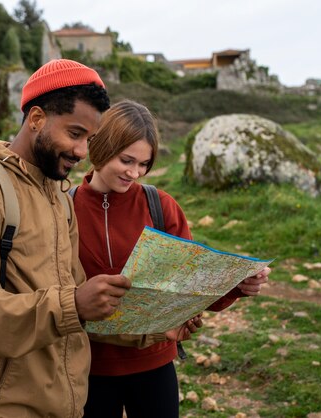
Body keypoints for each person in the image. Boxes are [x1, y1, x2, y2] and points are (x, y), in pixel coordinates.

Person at [0, 59, 133, 418]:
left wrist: (159, 329)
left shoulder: (58, 196)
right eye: (74, 134)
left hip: (61, 400)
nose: (83, 152)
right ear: (36, 119)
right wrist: (74, 305)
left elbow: (78, 300)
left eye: (90, 139)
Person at [71, 99, 271, 418]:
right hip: (86, 369)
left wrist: (237, 285)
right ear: (102, 147)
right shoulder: (64, 208)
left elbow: (191, 288)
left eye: (143, 164)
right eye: (126, 160)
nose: (133, 173)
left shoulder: (160, 205)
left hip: (154, 365)